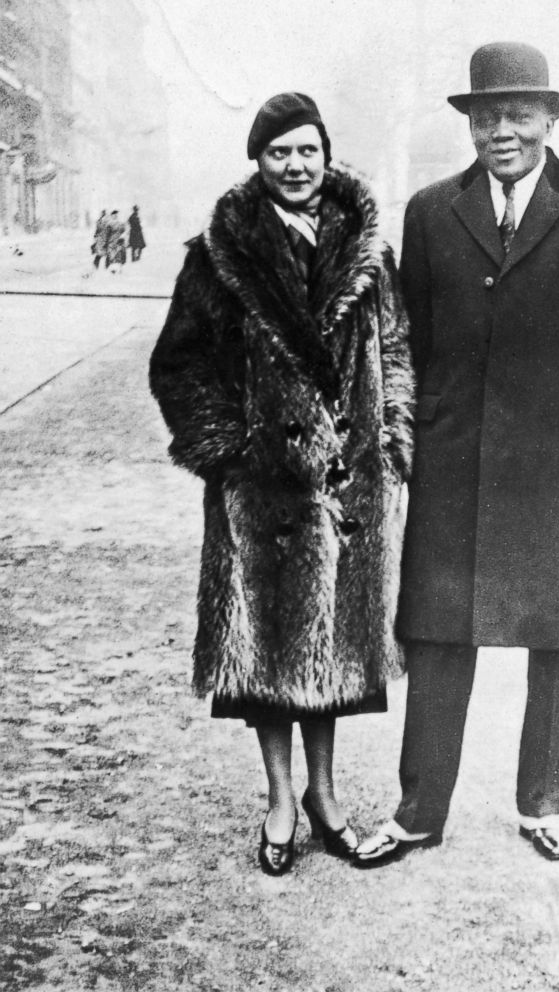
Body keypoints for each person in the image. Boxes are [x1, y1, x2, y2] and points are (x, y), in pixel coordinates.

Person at [353, 42, 559, 868]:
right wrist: (403, 433)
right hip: (453, 459)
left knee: (554, 637)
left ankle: (544, 804)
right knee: (436, 633)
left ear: (550, 120)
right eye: (487, 117)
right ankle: (419, 812)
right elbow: (406, 339)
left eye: (519, 116)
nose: (502, 132)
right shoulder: (429, 212)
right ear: (471, 125)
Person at [149, 93, 415, 875]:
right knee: (264, 651)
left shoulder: (369, 252)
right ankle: (279, 800)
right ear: (257, 162)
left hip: (346, 491)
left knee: (332, 650)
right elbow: (179, 365)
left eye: (308, 151)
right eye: (279, 153)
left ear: (327, 156)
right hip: (261, 494)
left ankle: (326, 800)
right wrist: (230, 448)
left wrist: (391, 441)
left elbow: (396, 349)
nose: (296, 166)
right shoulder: (217, 257)